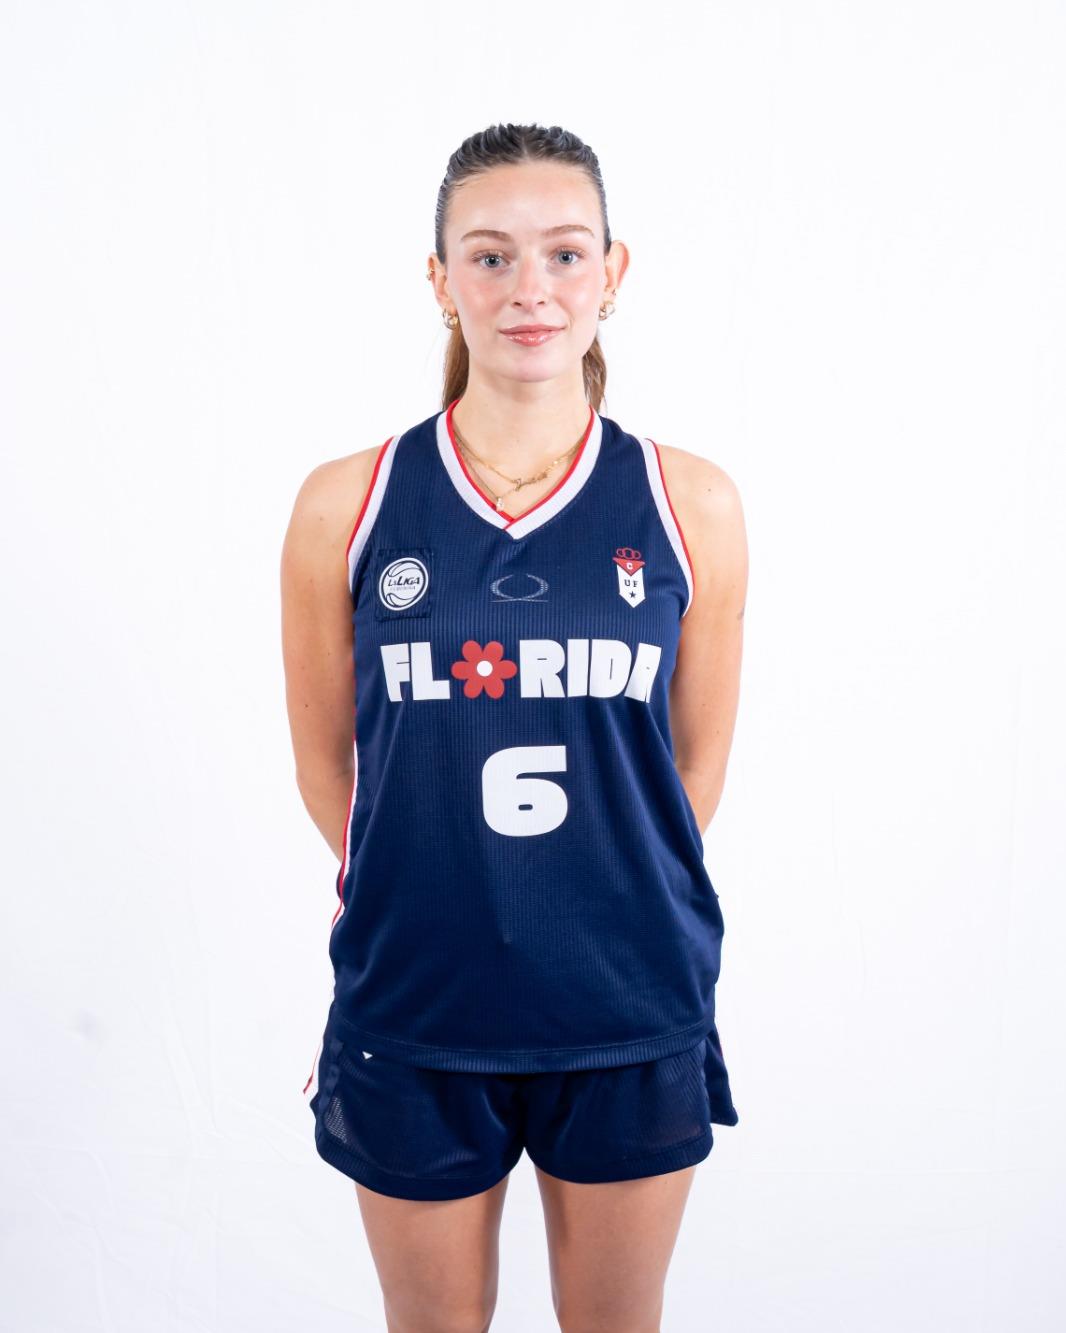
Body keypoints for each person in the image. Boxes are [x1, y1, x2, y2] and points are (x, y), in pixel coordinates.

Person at [280, 122, 749, 1333]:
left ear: (612, 272)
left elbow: (693, 767)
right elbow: (329, 769)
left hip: (624, 994)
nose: (528, 288)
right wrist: (440, 891)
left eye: (563, 253)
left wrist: (588, 896)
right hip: (416, 995)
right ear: (440, 280)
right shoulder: (347, 502)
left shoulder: (688, 500)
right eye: (489, 257)